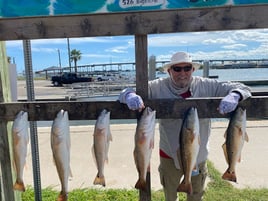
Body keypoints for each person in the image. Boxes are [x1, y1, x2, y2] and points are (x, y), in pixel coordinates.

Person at [118, 51, 251, 201]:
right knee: (170, 196)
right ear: (169, 71)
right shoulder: (157, 87)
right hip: (168, 154)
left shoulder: (207, 85)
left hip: (198, 156)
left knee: (195, 197)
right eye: (177, 69)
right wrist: (129, 95)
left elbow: (243, 88)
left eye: (187, 68)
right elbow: (126, 91)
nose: (182, 73)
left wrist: (235, 95)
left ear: (193, 70)